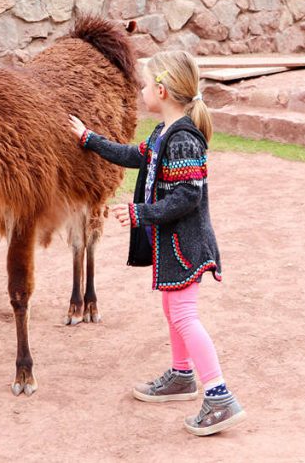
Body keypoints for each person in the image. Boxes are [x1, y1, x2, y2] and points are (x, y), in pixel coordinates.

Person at [68, 50, 246, 437]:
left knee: (184, 315)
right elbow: (135, 156)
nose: (142, 90)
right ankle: (182, 375)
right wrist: (89, 139)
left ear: (162, 91)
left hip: (186, 246)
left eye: (146, 85)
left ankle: (219, 396)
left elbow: (187, 197)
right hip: (172, 246)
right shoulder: (164, 134)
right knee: (173, 308)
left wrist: (139, 213)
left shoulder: (183, 140)